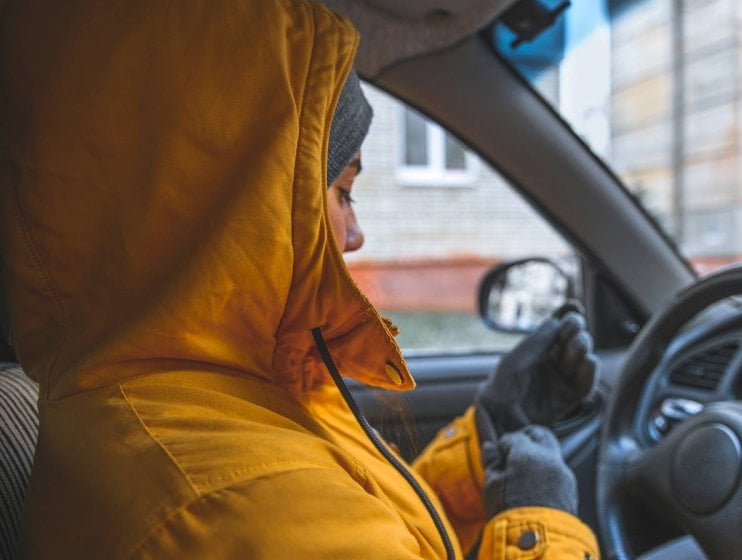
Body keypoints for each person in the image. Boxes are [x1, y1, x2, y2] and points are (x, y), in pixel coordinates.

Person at [1, 2, 600, 558]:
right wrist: (536, 524)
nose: (356, 233)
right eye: (344, 191)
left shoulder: (190, 418)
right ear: (231, 207)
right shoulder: (237, 504)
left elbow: (361, 529)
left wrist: (486, 440)